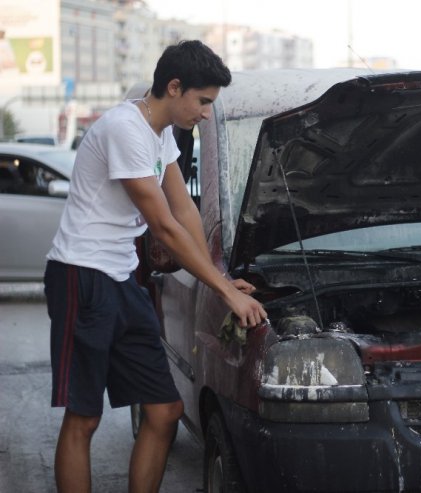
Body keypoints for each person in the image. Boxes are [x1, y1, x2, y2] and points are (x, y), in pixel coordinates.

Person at [44, 40, 267, 493]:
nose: (206, 113)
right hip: (81, 276)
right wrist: (225, 293)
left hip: (122, 277)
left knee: (164, 410)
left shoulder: (160, 134)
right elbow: (163, 226)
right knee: (84, 417)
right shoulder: (124, 128)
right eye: (203, 101)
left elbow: (183, 207)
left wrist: (221, 276)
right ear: (174, 86)